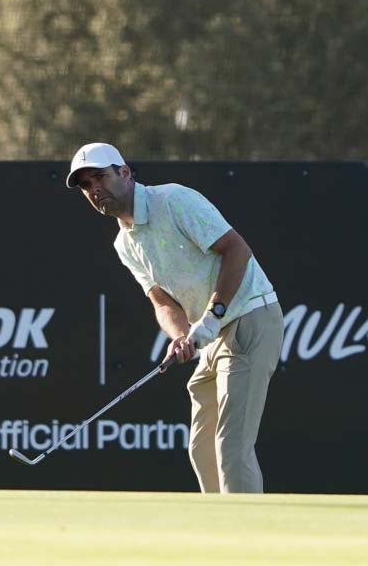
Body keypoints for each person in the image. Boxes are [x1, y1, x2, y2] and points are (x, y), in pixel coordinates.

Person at [67, 142, 284, 493]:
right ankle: (220, 528)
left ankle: (246, 535)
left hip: (248, 317)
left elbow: (237, 249)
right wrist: (180, 336)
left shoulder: (174, 200)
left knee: (231, 445)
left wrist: (214, 314)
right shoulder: (125, 244)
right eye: (86, 186)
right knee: (202, 448)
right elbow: (161, 300)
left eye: (101, 177)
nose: (95, 190)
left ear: (125, 173)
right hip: (212, 334)